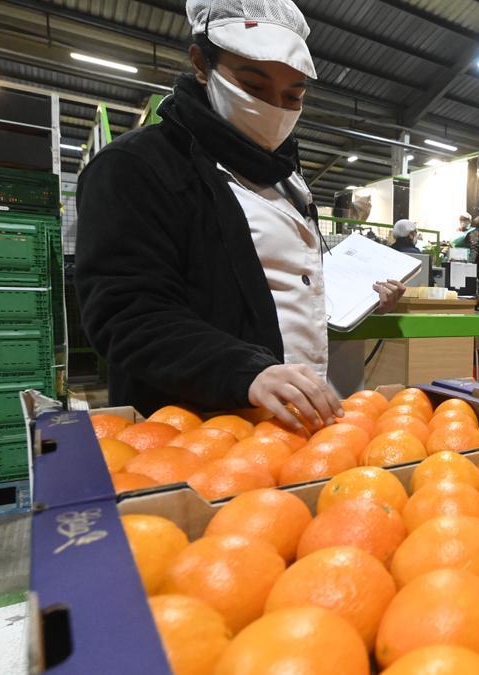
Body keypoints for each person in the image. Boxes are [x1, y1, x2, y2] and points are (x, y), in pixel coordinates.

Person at [75, 0, 404, 431]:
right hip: (198, 431)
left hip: (290, 426)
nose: (274, 107)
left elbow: (282, 287)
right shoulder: (136, 167)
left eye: (293, 95)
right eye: (253, 85)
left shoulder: (289, 180)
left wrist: (360, 301)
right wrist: (245, 370)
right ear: (200, 63)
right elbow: (128, 313)